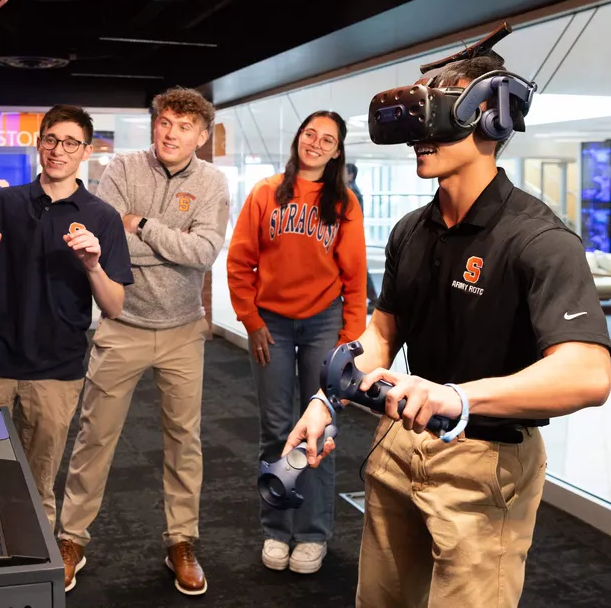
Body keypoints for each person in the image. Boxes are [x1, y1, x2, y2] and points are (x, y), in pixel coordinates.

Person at [284, 50, 611, 607]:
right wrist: (325, 398)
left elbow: (588, 374)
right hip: (398, 446)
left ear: (494, 115)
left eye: (441, 111)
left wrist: (456, 396)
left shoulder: (538, 239)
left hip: (485, 464)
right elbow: (383, 335)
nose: (422, 133)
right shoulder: (413, 229)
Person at [57, 87, 231, 596]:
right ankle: (72, 538)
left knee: (185, 442)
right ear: (155, 125)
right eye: (165, 122)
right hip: (121, 323)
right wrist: (148, 242)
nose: (171, 132)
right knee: (94, 437)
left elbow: (203, 253)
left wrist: (145, 227)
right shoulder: (123, 169)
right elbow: (104, 239)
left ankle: (181, 541)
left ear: (201, 137)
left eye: (183, 126)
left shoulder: (212, 182)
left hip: (182, 331)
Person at [0, 104, 133, 532]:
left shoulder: (102, 218)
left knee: (37, 484)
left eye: (71, 143)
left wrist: (93, 266)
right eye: (51, 139)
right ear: (39, 144)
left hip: (56, 371)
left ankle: (32, 576)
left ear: (85, 152)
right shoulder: (3, 202)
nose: (59, 150)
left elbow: (113, 307)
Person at [226, 111, 367, 574]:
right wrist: (250, 319)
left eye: (327, 139)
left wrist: (348, 342)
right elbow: (240, 259)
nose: (316, 144)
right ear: (298, 139)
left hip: (324, 323)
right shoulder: (266, 192)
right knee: (275, 428)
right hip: (272, 325)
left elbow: (355, 276)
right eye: (310, 134)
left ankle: (311, 534)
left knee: (318, 429)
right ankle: (276, 529)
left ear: (336, 150)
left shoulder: (343, 201)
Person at [345, 161, 378, 307]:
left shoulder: (352, 193)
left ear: (351, 175)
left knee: (359, 267)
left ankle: (372, 298)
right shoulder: (351, 190)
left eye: (343, 173)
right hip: (352, 234)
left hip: (352, 235)